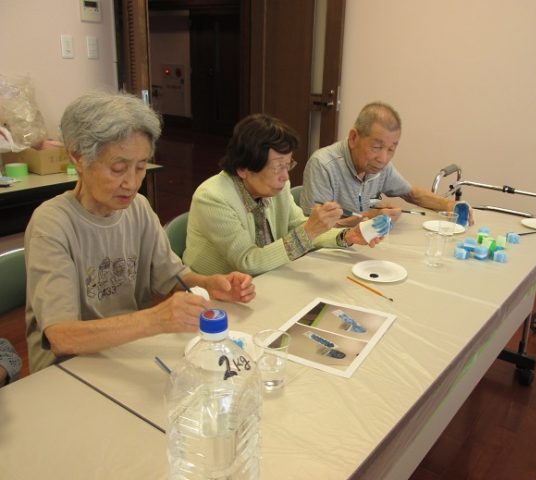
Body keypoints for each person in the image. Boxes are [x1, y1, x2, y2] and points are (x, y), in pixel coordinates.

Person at [24, 91, 256, 373]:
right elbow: (62, 337)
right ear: (78, 157)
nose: (132, 183)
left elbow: (172, 276)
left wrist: (209, 284)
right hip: (69, 369)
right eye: (118, 168)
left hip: (127, 351)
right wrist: (155, 319)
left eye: (141, 167)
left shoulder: (138, 208)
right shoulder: (52, 224)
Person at [183, 113, 385, 276]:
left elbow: (298, 225)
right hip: (213, 295)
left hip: (266, 280)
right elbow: (248, 262)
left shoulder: (276, 188)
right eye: (278, 167)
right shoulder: (212, 198)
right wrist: (310, 230)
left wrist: (346, 235)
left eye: (288, 165)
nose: (285, 176)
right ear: (243, 168)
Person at [300, 101, 472, 226]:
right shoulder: (323, 165)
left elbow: (411, 194)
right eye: (376, 147)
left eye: (391, 149)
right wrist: (367, 218)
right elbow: (312, 230)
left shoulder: (379, 166)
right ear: (353, 138)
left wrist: (450, 205)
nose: (383, 158)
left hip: (361, 244)